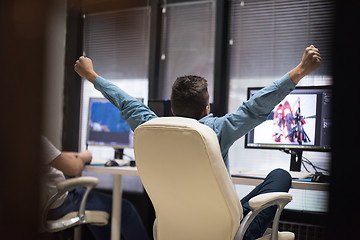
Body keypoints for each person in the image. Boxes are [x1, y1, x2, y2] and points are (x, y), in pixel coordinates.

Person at [74, 45, 321, 239]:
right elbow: (255, 108)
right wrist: (300, 70)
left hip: (174, 228)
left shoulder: (150, 128)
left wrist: (91, 75)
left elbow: (126, 102)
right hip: (225, 232)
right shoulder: (215, 130)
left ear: (171, 108)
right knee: (280, 175)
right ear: (207, 109)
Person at [41, 136, 150, 240]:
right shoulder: (37, 140)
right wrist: (83, 157)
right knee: (126, 209)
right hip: (60, 204)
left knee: (100, 218)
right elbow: (73, 169)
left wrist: (75, 156)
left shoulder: (25, 142)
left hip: (40, 209)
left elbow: (56, 157)